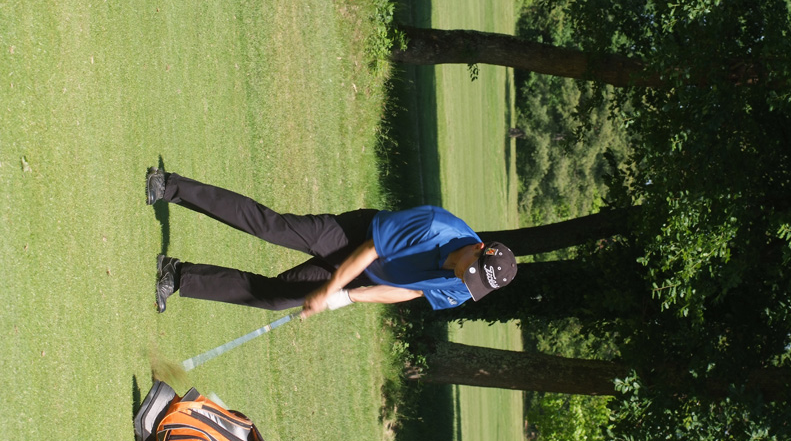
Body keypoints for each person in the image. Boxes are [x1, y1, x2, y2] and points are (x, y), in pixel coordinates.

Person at [146, 167, 517, 317]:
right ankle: (169, 185)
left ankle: (178, 276)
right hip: (356, 236)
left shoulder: (464, 288)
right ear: (478, 248)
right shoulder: (435, 226)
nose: (465, 278)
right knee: (270, 227)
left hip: (369, 274)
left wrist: (345, 297)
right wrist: (330, 288)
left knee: (275, 298)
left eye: (473, 282)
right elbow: (370, 250)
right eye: (471, 271)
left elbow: (411, 291)